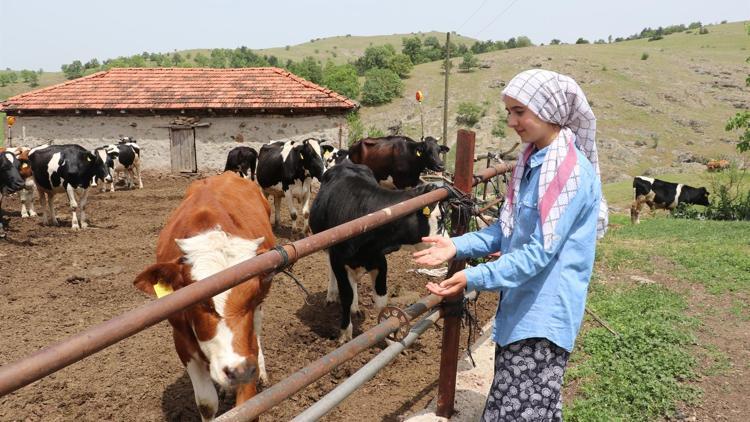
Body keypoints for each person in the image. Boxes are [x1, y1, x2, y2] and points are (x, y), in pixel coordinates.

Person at [413, 69, 608, 421]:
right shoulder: (534, 163)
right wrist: (456, 246)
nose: (512, 121)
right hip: (522, 311)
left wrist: (472, 278)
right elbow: (506, 231)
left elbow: (538, 253)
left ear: (550, 109)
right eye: (509, 112)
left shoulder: (568, 173)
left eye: (520, 111)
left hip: (543, 320)